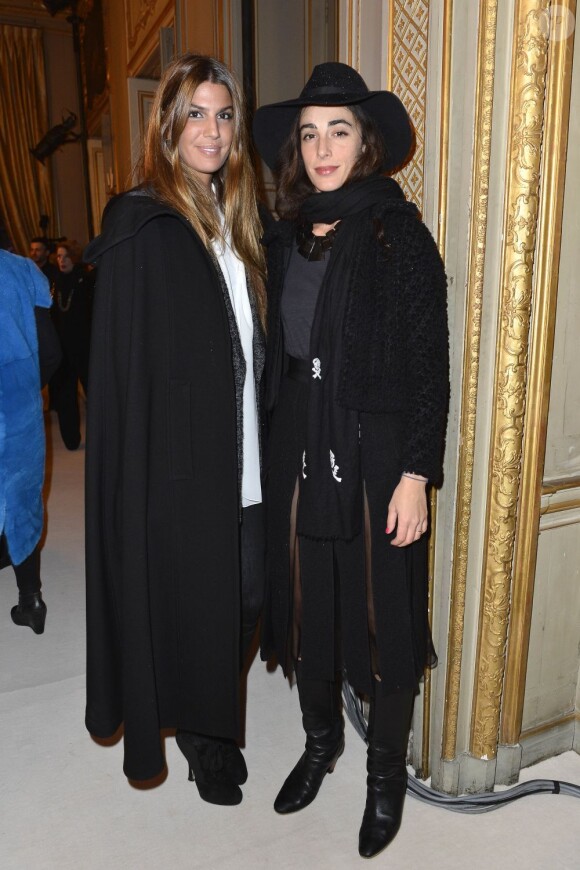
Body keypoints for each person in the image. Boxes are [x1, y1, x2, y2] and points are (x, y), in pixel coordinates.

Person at [253, 62, 448, 858]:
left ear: (365, 142)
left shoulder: (396, 232)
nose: (323, 147)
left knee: (385, 614)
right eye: (309, 134)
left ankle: (383, 778)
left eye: (339, 130)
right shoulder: (285, 232)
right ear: (295, 150)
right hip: (297, 439)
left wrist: (415, 475)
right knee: (307, 601)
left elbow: (428, 362)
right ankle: (321, 740)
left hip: (375, 449)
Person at [83, 53, 266, 806]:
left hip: (249, 448)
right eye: (197, 113)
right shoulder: (141, 221)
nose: (212, 130)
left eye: (224, 115)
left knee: (251, 598)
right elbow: (122, 369)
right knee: (202, 602)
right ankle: (205, 735)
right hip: (182, 465)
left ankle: (206, 704)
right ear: (168, 125)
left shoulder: (241, 220)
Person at [0, 248, 61, 634]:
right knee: (22, 499)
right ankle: (31, 600)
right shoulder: (23, 269)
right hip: (19, 411)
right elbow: (52, 353)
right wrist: (24, 392)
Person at [50, 239, 92, 450]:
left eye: (66, 256)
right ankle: (71, 440)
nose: (62, 260)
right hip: (63, 351)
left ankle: (100, 436)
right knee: (66, 398)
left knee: (93, 395)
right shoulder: (54, 282)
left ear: (74, 257)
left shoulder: (85, 280)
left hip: (85, 349)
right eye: (58, 256)